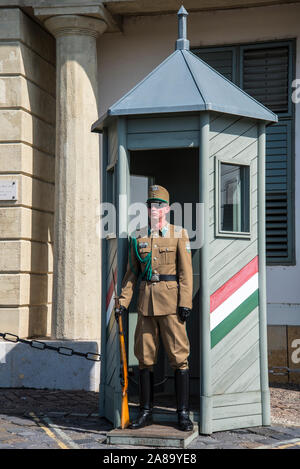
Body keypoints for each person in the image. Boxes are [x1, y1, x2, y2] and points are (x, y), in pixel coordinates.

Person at [115, 184, 193, 431]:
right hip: (146, 305)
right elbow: (131, 275)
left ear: (167, 209)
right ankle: (146, 411)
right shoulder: (138, 237)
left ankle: (182, 413)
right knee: (145, 359)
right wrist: (123, 302)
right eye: (151, 205)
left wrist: (185, 303)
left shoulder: (178, 234)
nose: (154, 209)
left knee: (179, 359)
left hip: (171, 306)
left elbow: (185, 274)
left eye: (159, 205)